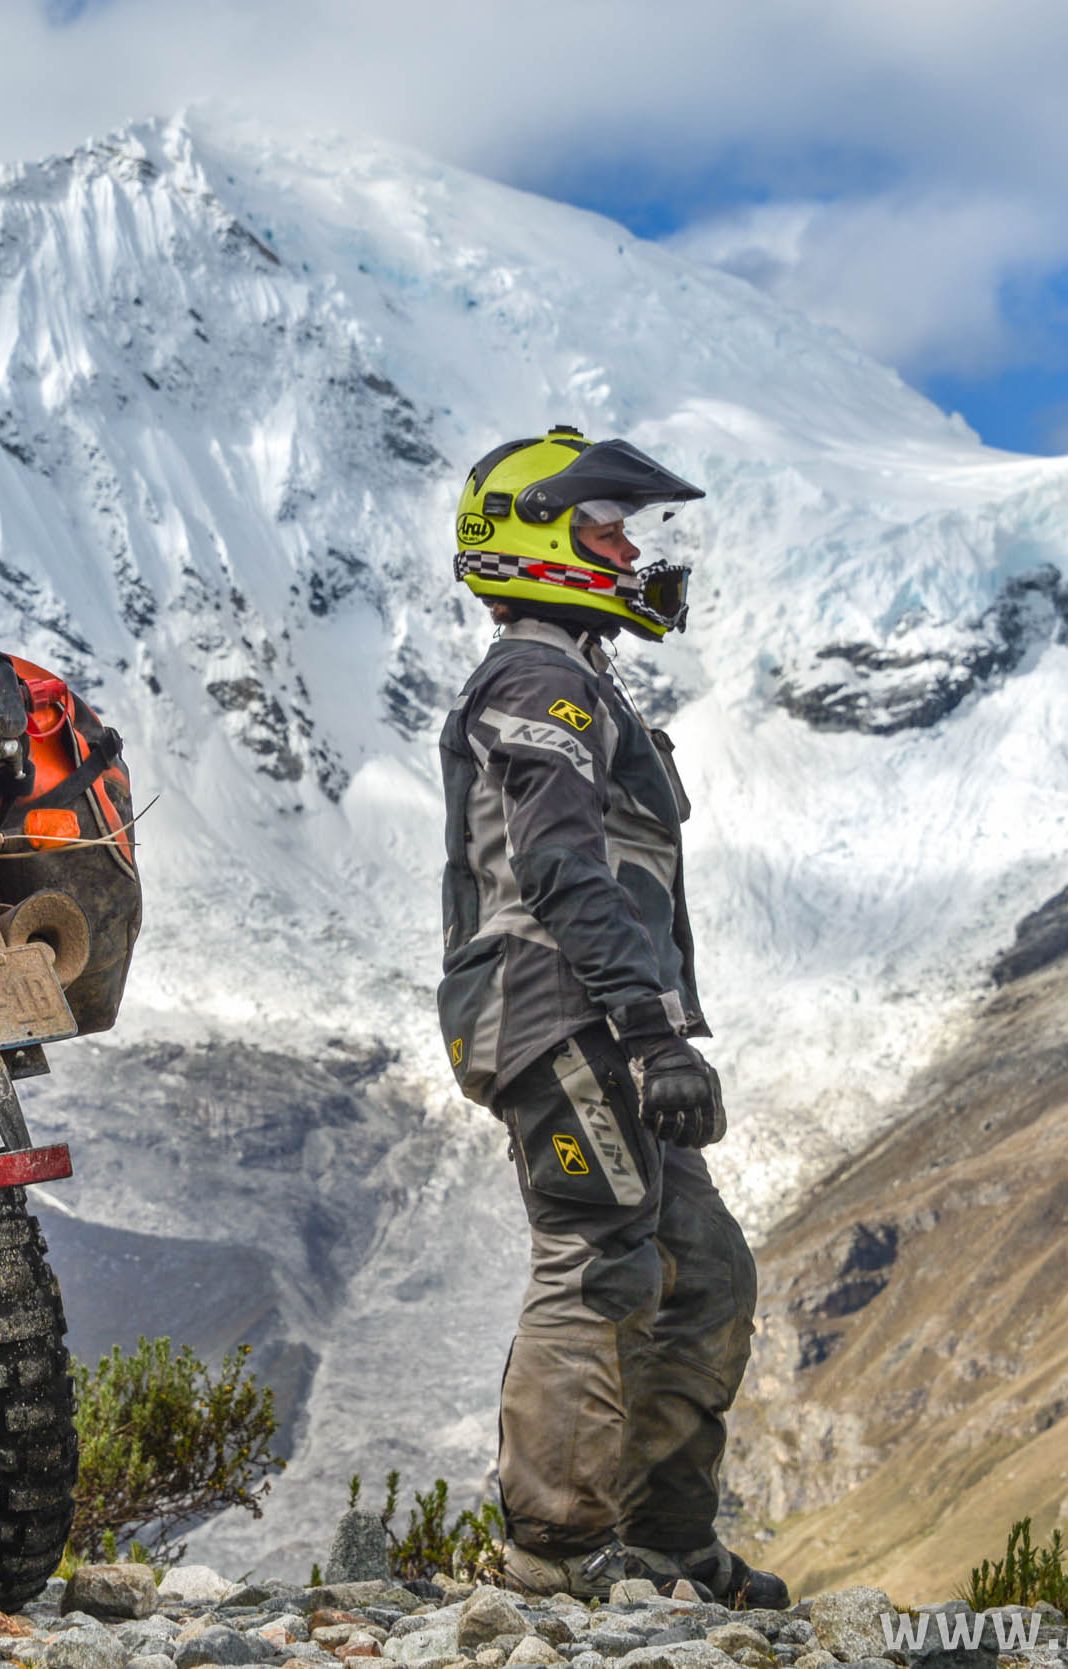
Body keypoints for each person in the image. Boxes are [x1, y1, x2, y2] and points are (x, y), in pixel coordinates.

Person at [437, 425, 786, 1607]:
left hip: (597, 1012)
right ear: (540, 538)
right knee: (594, 1258)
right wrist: (648, 1029)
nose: (632, 550)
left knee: (702, 1274)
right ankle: (549, 1559)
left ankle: (664, 1542)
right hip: (556, 1009)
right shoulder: (538, 680)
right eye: (607, 528)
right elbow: (557, 868)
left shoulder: (581, 681)